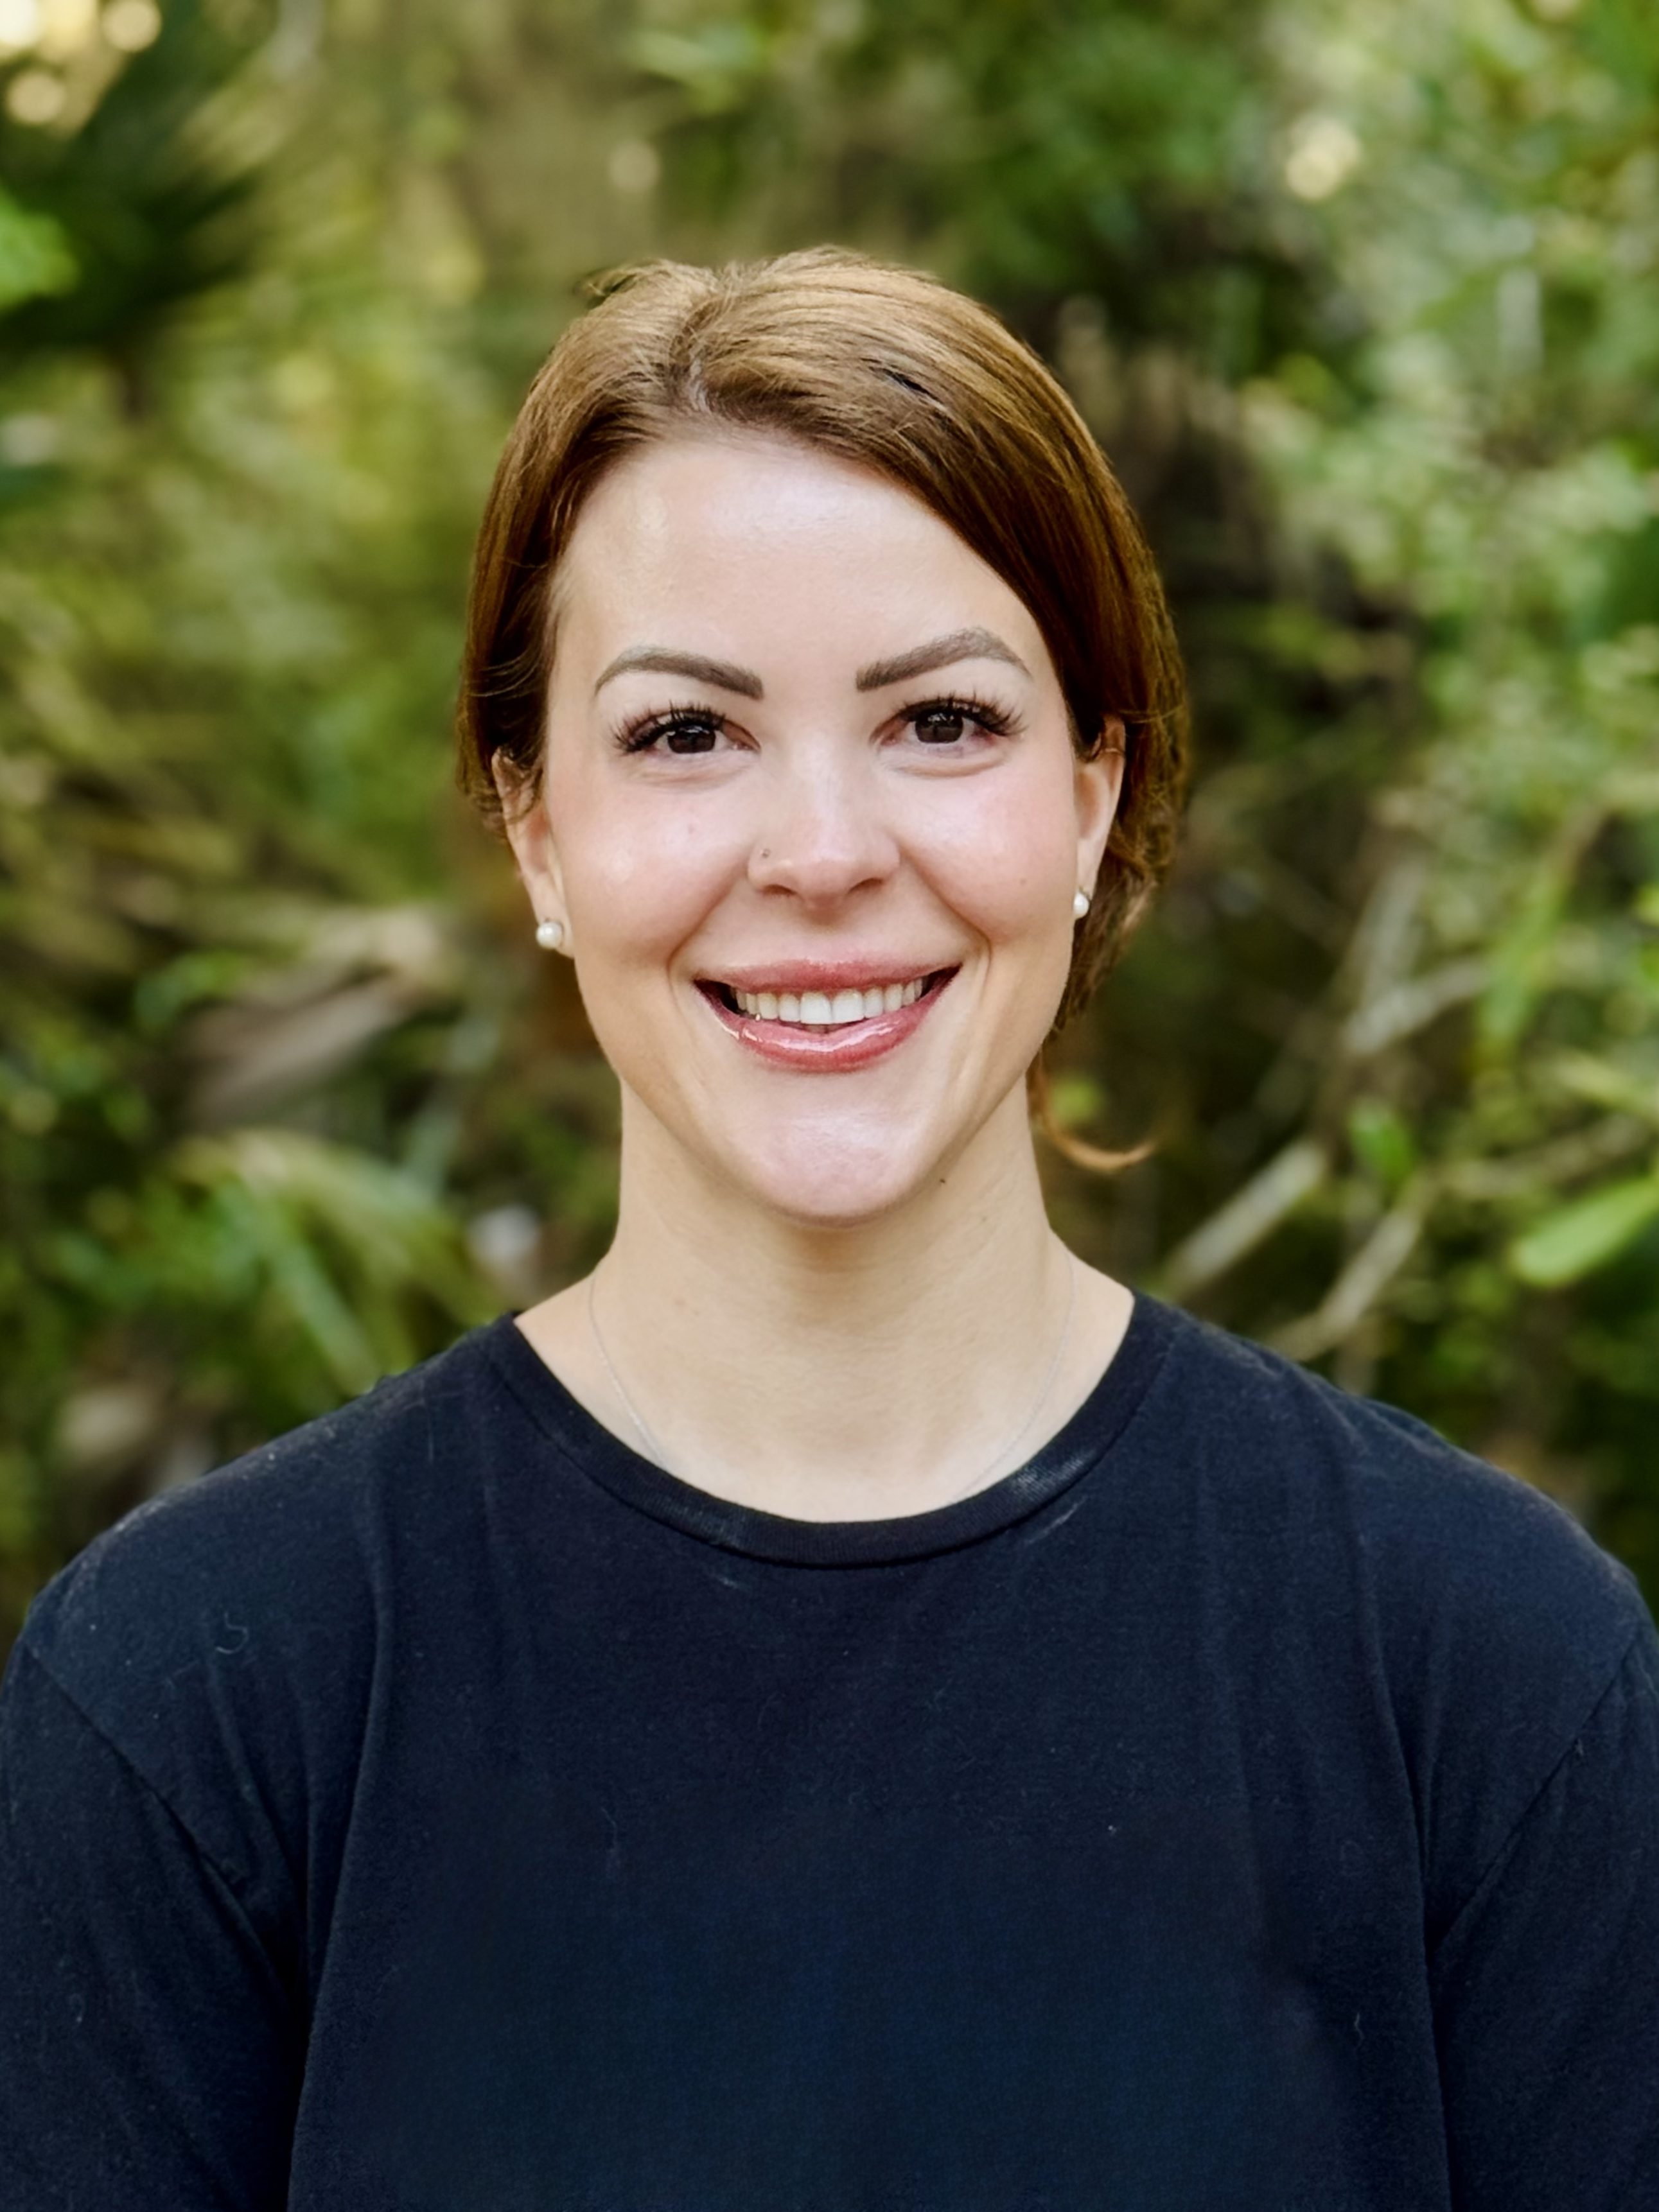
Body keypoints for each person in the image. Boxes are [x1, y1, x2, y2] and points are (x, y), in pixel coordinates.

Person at [2, 248, 1656, 2211]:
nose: (822, 855)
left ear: (1094, 795)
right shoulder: (197, 1693)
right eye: (686, 735)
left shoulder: (1486, 1665)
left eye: (942, 721)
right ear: (536, 829)